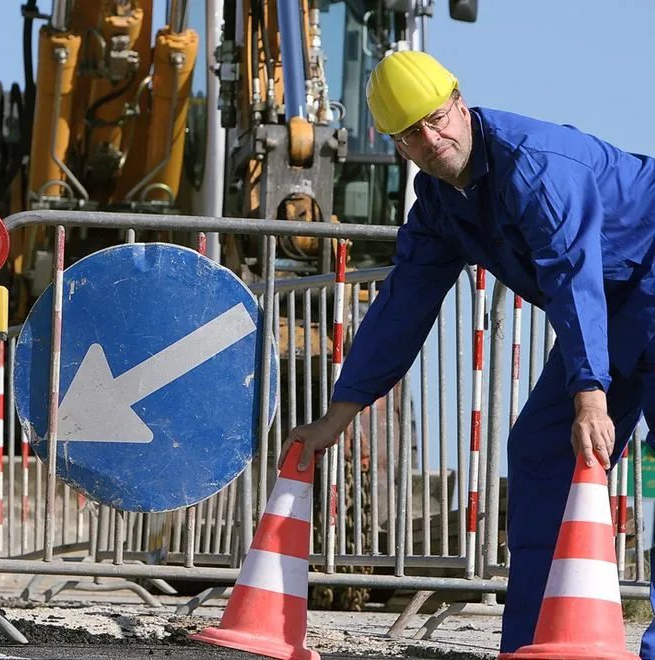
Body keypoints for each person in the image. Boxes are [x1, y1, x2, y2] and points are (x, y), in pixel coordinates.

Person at [278, 49, 655, 656]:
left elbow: (572, 273)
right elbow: (403, 306)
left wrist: (590, 392)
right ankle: (534, 643)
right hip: (612, 304)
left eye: (437, 118)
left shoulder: (533, 166)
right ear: (396, 145)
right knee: (541, 450)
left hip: (640, 275)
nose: (432, 138)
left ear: (459, 102)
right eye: (411, 134)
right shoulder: (438, 207)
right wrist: (337, 418)